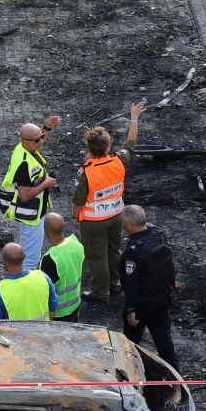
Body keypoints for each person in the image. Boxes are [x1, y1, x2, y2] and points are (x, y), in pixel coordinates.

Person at [72, 100, 143, 303]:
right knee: (114, 250)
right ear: (108, 146)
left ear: (89, 147)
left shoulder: (85, 171)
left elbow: (78, 199)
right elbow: (130, 143)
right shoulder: (118, 160)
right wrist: (134, 117)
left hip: (94, 222)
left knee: (96, 257)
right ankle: (115, 284)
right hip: (116, 216)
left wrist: (75, 216)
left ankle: (100, 293)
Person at [0, 114, 61, 268]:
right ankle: (26, 284)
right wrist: (46, 183)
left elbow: (38, 138)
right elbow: (25, 196)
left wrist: (47, 127)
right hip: (30, 215)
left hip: (29, 211)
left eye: (41, 136)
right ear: (25, 141)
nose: (42, 141)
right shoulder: (24, 164)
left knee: (25, 246)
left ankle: (17, 271)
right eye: (38, 139)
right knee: (32, 259)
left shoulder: (23, 147)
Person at [120, 204, 179, 367]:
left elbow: (132, 283)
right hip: (162, 298)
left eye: (124, 225)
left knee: (129, 343)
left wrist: (131, 309)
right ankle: (177, 381)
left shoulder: (134, 250)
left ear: (130, 225)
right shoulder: (158, 235)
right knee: (164, 343)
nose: (124, 228)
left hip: (142, 304)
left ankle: (127, 377)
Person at [0, 242, 56, 320]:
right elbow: (53, 306)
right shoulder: (42, 276)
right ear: (24, 257)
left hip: (16, 332)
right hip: (44, 330)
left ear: (3, 262)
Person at [38, 213, 84, 322]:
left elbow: (45, 290)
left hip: (59, 313)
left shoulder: (50, 259)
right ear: (64, 226)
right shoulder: (76, 243)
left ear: (45, 230)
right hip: (76, 304)